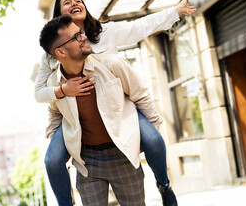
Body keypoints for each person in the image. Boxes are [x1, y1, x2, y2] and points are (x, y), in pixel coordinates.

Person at [35, 0, 196, 206]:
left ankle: (164, 185)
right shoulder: (52, 57)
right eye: (67, 2)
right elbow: (43, 97)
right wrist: (64, 90)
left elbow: (140, 27)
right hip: (79, 119)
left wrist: (175, 11)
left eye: (78, 0)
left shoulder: (104, 34)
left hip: (118, 106)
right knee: (52, 160)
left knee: (154, 140)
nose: (75, 3)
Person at [40, 14, 166, 205]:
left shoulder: (112, 64)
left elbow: (141, 97)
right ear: (61, 53)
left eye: (80, 32)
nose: (83, 37)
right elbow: (55, 113)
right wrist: (61, 144)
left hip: (122, 155)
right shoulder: (55, 84)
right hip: (88, 163)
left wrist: (149, 138)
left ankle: (165, 186)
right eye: (76, 37)